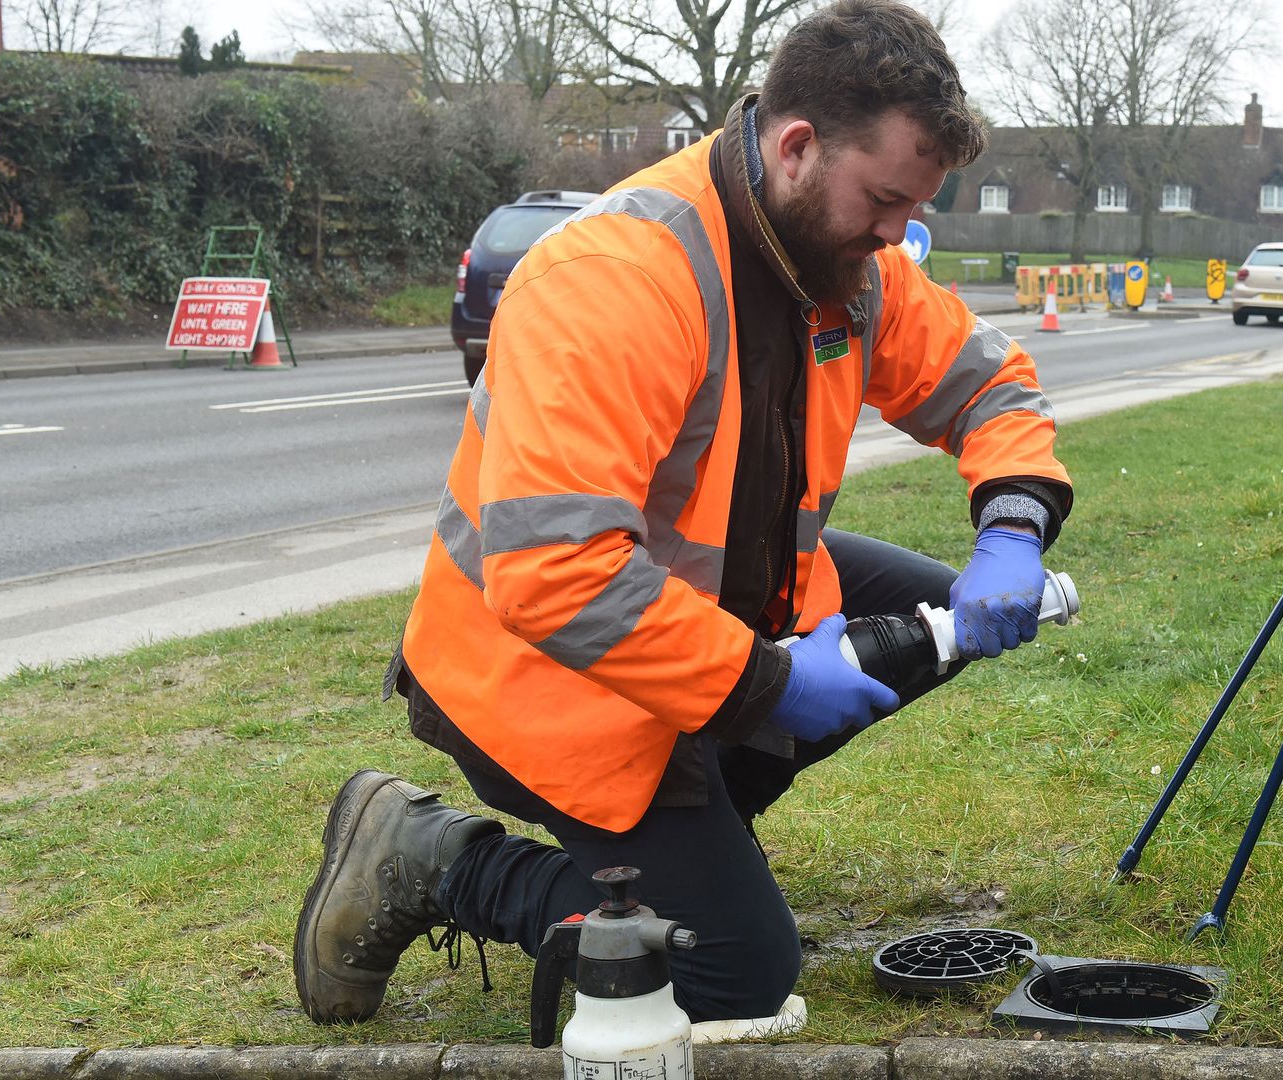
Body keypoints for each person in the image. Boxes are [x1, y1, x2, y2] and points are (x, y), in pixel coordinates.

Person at [294, 0, 1072, 1029]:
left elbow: (989, 384)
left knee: (941, 621)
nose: (898, 234)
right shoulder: (615, 279)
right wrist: (768, 684)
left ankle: (691, 840)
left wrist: (1013, 524)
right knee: (733, 975)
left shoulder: (847, 266)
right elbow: (555, 572)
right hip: (544, 669)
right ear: (797, 146)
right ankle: (432, 859)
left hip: (694, 616)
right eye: (885, 199)